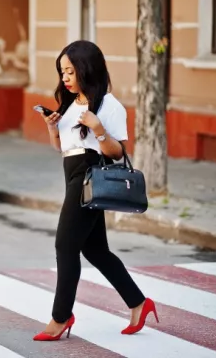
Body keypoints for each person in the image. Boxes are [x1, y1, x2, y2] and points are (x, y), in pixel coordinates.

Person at [33, 40, 159, 342]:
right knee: (95, 250)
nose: (64, 78)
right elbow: (64, 149)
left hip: (90, 175)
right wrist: (53, 128)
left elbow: (117, 153)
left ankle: (60, 317)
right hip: (72, 173)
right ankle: (139, 303)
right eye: (62, 71)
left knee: (65, 246)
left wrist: (98, 128)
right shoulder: (70, 103)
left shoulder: (109, 106)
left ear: (86, 69)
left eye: (70, 71)